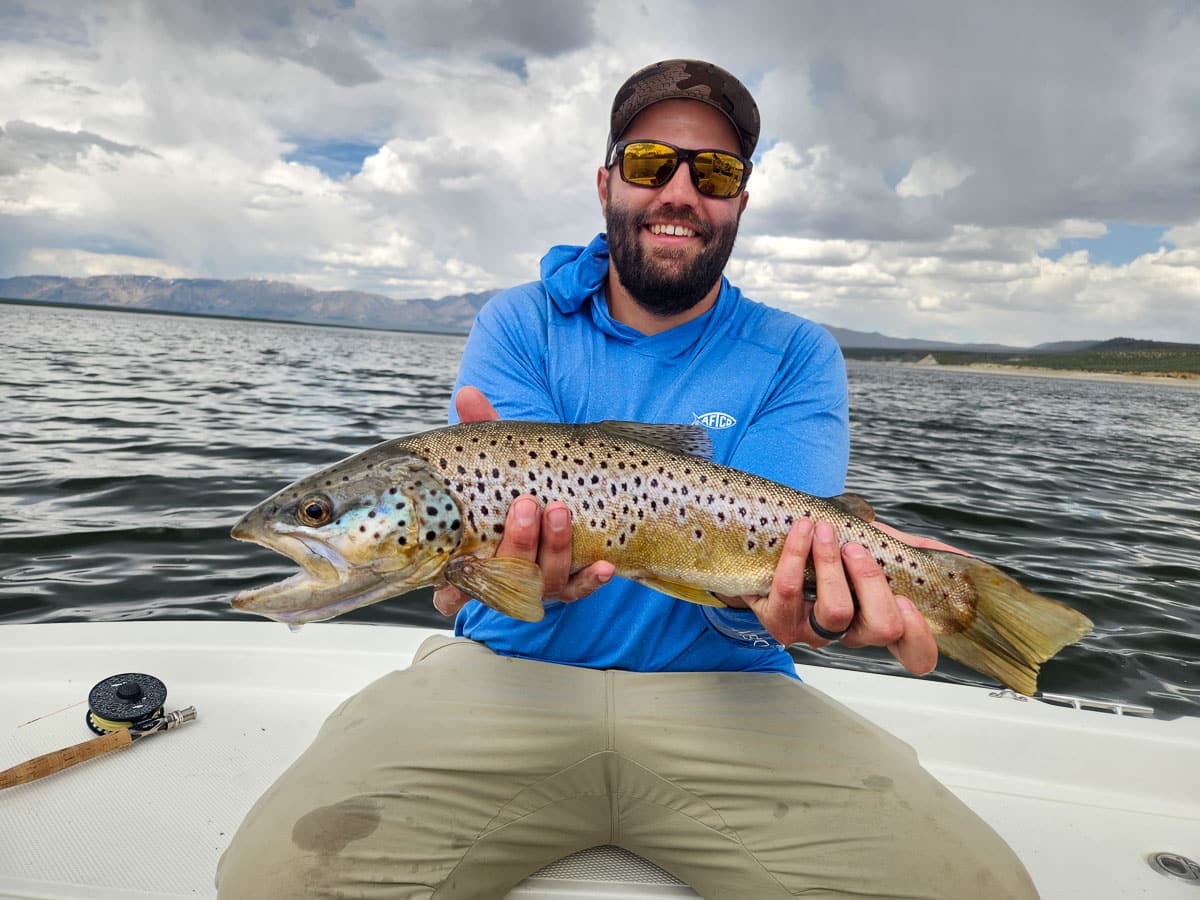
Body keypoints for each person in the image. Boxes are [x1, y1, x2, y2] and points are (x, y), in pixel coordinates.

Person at [217, 59, 1039, 899]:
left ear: (740, 203)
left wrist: (831, 599)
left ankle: (983, 611)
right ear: (607, 181)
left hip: (730, 692)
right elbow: (472, 589)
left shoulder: (797, 353)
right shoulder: (520, 322)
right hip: (506, 680)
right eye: (651, 163)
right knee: (275, 882)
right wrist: (467, 586)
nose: (680, 191)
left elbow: (785, 566)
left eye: (713, 172)